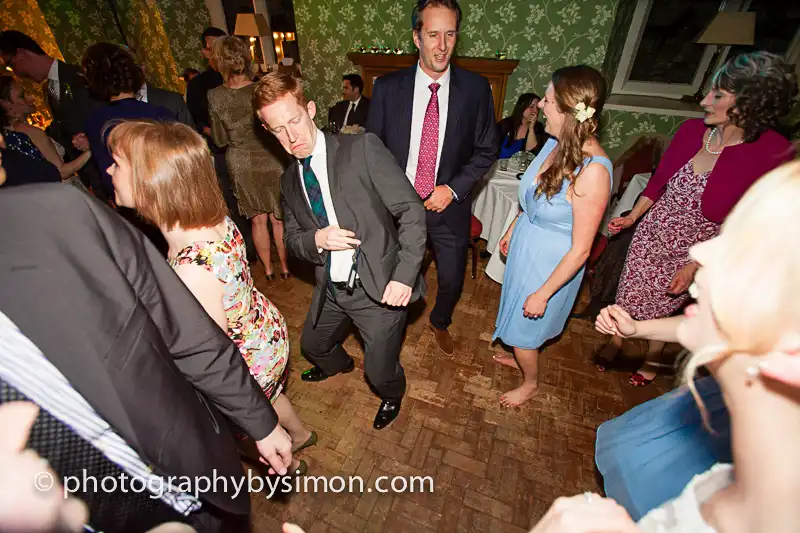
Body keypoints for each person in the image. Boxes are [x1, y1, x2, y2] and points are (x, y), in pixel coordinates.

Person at [0, 183, 294, 532]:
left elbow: (185, 330)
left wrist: (258, 419)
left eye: (118, 162)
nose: (107, 169)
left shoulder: (52, 216)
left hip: (198, 478)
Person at [105, 119, 316, 473]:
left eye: (117, 163)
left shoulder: (193, 269)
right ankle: (300, 434)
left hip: (246, 361)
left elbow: (212, 357)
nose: (108, 169)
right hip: (264, 332)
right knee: (270, 399)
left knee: (238, 428)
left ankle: (286, 462)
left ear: (150, 182)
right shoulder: (208, 217)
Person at [597, 51, 798, 386]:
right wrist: (633, 217)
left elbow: (749, 224)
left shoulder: (773, 153)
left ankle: (651, 358)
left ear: (747, 104)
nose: (705, 100)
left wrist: (695, 265)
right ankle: (616, 342)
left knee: (664, 308)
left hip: (696, 250)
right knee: (629, 294)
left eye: (717, 95)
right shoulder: (691, 131)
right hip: (651, 235)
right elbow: (659, 181)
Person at [254, 71, 427, 430]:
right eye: (278, 129)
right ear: (268, 132)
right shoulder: (288, 180)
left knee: (379, 372)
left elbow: (411, 210)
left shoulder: (361, 149)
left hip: (380, 288)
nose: (291, 136)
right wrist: (316, 240)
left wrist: (404, 276)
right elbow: (291, 241)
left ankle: (392, 393)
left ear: (311, 109)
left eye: (295, 121)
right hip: (330, 287)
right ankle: (341, 365)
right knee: (312, 347)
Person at [366, 0, 497, 355]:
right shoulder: (388, 88)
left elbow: (487, 150)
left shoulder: (475, 89)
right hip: (397, 207)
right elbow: (371, 149)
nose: (442, 45)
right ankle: (394, 328)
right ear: (416, 37)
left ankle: (440, 321)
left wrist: (452, 189)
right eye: (433, 34)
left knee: (452, 281)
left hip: (448, 209)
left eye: (450, 34)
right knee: (392, 275)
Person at [491, 65, 611, 407]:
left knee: (526, 330)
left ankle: (530, 383)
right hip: (527, 246)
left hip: (551, 264)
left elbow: (581, 250)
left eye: (546, 100)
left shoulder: (594, 172)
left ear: (566, 109)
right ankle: (518, 356)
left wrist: (544, 293)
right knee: (516, 317)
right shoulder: (553, 144)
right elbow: (532, 195)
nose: (540, 106)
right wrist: (513, 227)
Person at [208, 36, 291, 280]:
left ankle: (267, 269)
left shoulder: (214, 96)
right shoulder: (262, 88)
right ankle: (286, 268)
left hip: (241, 161)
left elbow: (220, 140)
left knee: (257, 221)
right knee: (279, 220)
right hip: (271, 158)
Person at [0, 30, 106, 199]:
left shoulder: (79, 77)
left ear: (21, 53)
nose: (16, 73)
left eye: (12, 65)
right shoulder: (48, 91)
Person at [81, 42, 177, 199]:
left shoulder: (96, 122)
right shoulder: (161, 113)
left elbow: (108, 179)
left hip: (132, 204)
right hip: (170, 197)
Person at [0, 74, 91, 180]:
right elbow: (61, 172)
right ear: (6, 105)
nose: (31, 98)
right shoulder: (27, 132)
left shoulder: (7, 135)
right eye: (22, 95)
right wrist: (90, 148)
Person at [496, 92, 547, 159]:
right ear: (522, 107)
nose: (535, 111)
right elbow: (491, 148)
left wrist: (531, 128)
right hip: (499, 166)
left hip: (520, 168)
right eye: (531, 106)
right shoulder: (505, 124)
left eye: (537, 108)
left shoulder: (538, 128)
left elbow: (532, 153)